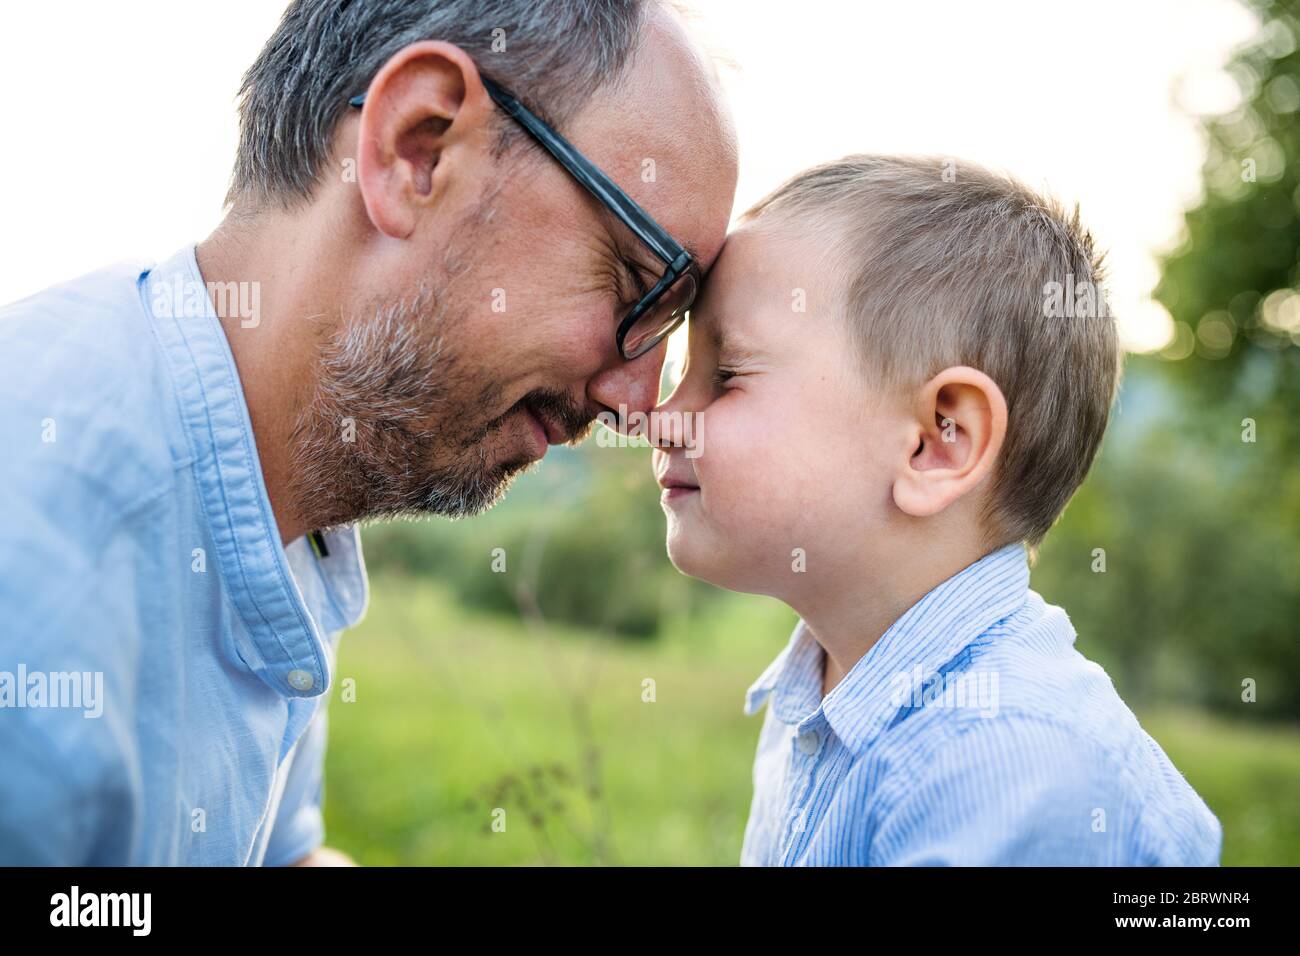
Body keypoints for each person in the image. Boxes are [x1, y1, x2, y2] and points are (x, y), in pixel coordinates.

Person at [0, 0, 737, 865]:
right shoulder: (40, 565)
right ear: (415, 147)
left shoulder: (283, 480)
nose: (636, 402)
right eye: (637, 285)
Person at [651, 155, 1223, 865]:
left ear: (937, 442)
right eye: (680, 373)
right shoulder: (828, 688)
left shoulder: (1005, 761)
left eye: (727, 374)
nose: (661, 417)